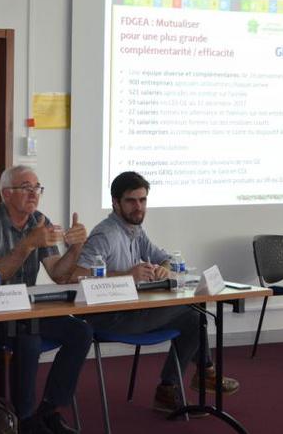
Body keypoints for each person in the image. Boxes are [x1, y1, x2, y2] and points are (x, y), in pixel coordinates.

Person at [75, 171, 239, 414]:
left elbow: (167, 259)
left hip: (134, 310)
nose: (138, 207)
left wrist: (163, 269)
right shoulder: (105, 234)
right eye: (131, 201)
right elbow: (78, 276)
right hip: (110, 317)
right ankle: (202, 374)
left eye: (143, 200)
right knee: (192, 312)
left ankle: (171, 387)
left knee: (194, 317)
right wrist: (126, 276)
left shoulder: (135, 230)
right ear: (115, 203)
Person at [0, 165, 92, 434]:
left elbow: (59, 273)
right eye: (27, 187)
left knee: (80, 331)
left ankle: (48, 408)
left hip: (24, 309)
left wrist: (77, 248)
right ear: (7, 193)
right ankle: (25, 419)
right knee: (29, 338)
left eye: (38, 188)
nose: (34, 193)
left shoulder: (38, 221)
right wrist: (27, 245)